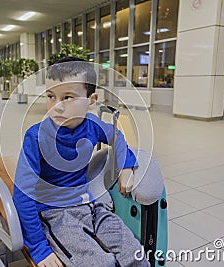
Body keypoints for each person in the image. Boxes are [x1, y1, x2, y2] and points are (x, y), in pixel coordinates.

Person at [13, 57, 150, 267]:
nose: (56, 106)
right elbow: (23, 194)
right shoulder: (36, 137)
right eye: (50, 96)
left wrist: (126, 165)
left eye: (67, 97)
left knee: (135, 255)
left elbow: (117, 137)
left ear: (91, 100)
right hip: (56, 214)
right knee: (101, 263)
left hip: (92, 207)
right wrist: (39, 249)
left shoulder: (92, 124)